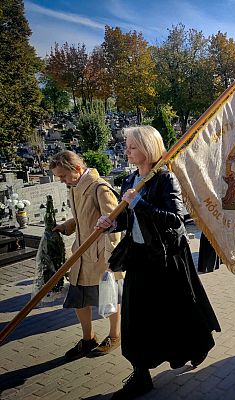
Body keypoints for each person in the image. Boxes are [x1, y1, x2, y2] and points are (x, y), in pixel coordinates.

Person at [96, 126, 220, 399]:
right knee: (134, 318)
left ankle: (199, 345)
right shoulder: (129, 181)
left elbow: (176, 220)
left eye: (131, 146)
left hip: (166, 260)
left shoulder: (164, 180)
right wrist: (110, 223)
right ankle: (140, 374)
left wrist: (140, 203)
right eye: (126, 146)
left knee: (178, 312)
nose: (126, 150)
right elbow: (127, 219)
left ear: (147, 148)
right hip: (139, 258)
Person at [50, 150, 122, 360]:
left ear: (77, 169)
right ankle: (88, 337)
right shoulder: (75, 187)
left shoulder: (100, 188)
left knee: (109, 297)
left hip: (101, 257)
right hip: (80, 255)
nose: (61, 180)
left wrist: (112, 260)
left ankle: (115, 335)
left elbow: (114, 223)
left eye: (63, 176)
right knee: (78, 299)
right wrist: (66, 226)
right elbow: (82, 217)